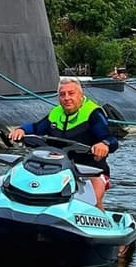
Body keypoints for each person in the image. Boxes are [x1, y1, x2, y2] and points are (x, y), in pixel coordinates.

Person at [8, 77, 118, 209]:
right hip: (59, 170)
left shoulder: (93, 113)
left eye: (71, 93)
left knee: (92, 201)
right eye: (62, 94)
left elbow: (112, 139)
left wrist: (104, 144)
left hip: (90, 171)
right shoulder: (55, 114)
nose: (66, 98)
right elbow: (37, 128)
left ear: (81, 95)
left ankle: (99, 217)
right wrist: (22, 130)